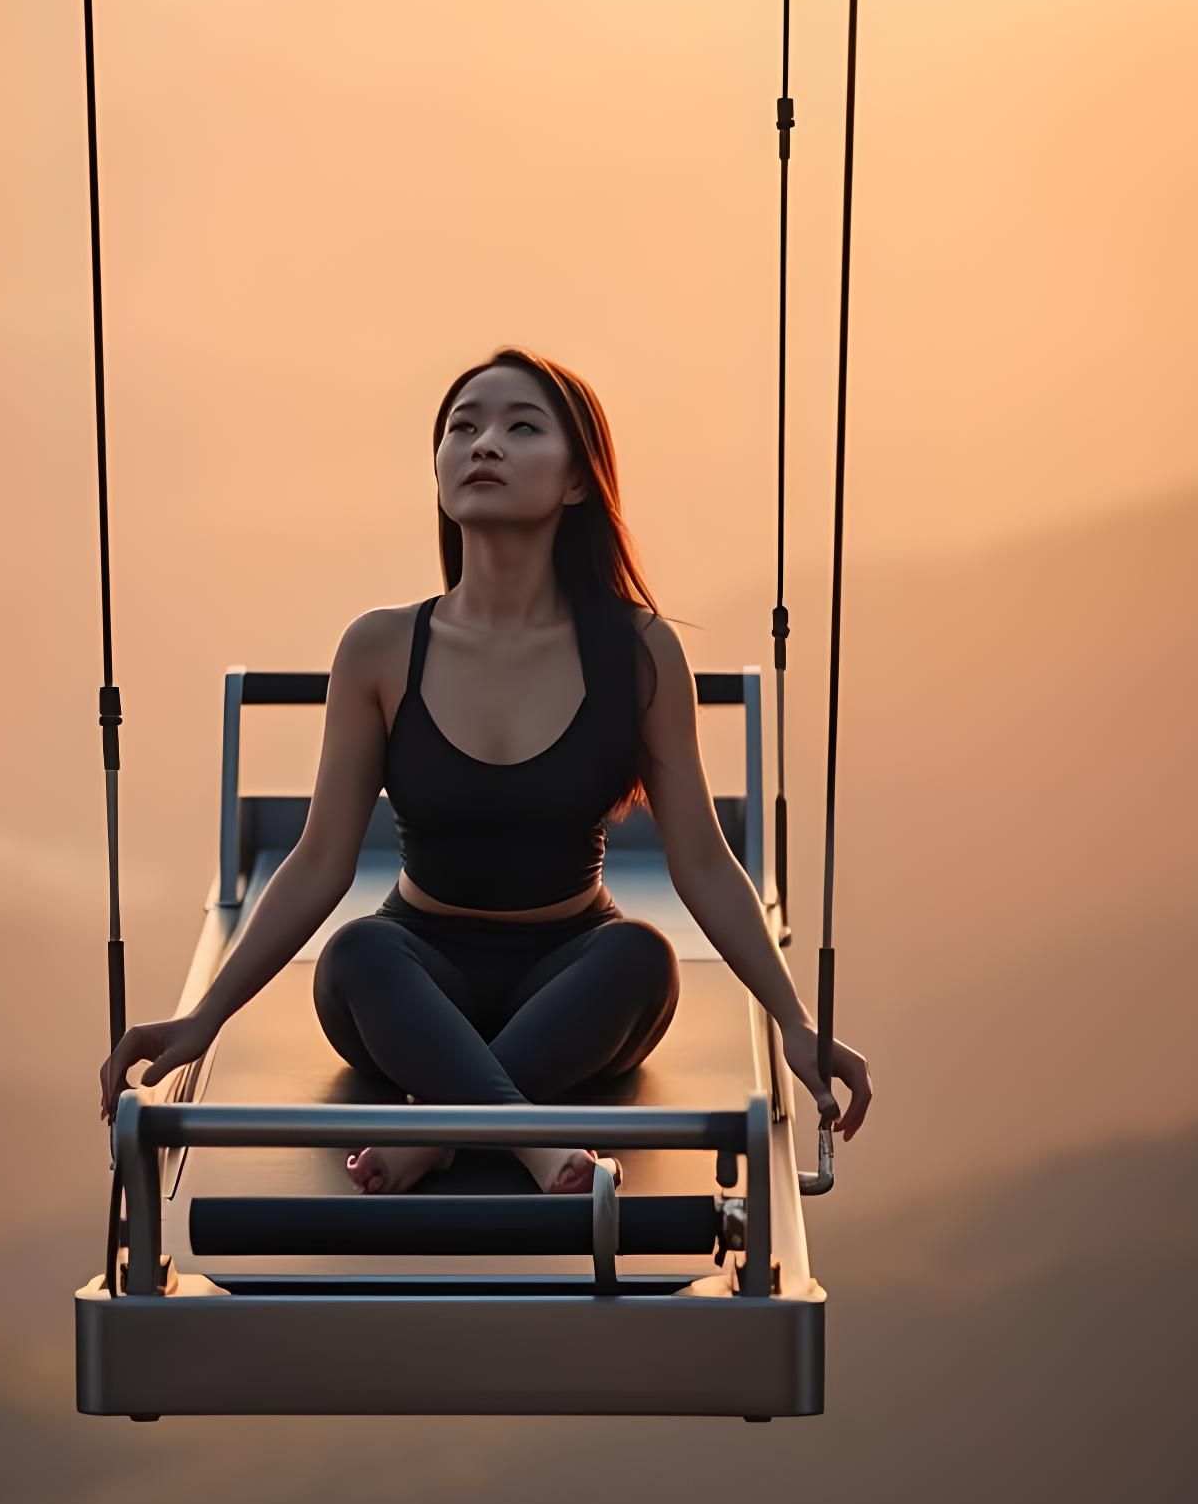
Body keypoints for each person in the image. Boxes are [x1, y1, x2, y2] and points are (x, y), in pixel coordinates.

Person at [98, 348, 874, 1194]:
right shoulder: (380, 649)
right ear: (438, 472)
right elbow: (321, 860)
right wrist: (202, 1021)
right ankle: (531, 1142)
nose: (484, 444)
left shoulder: (641, 652)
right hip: (412, 972)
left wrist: (796, 1024)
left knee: (643, 960)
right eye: (462, 428)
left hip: (576, 968)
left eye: (520, 427)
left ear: (578, 481)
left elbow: (701, 861)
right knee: (357, 953)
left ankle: (436, 1129)